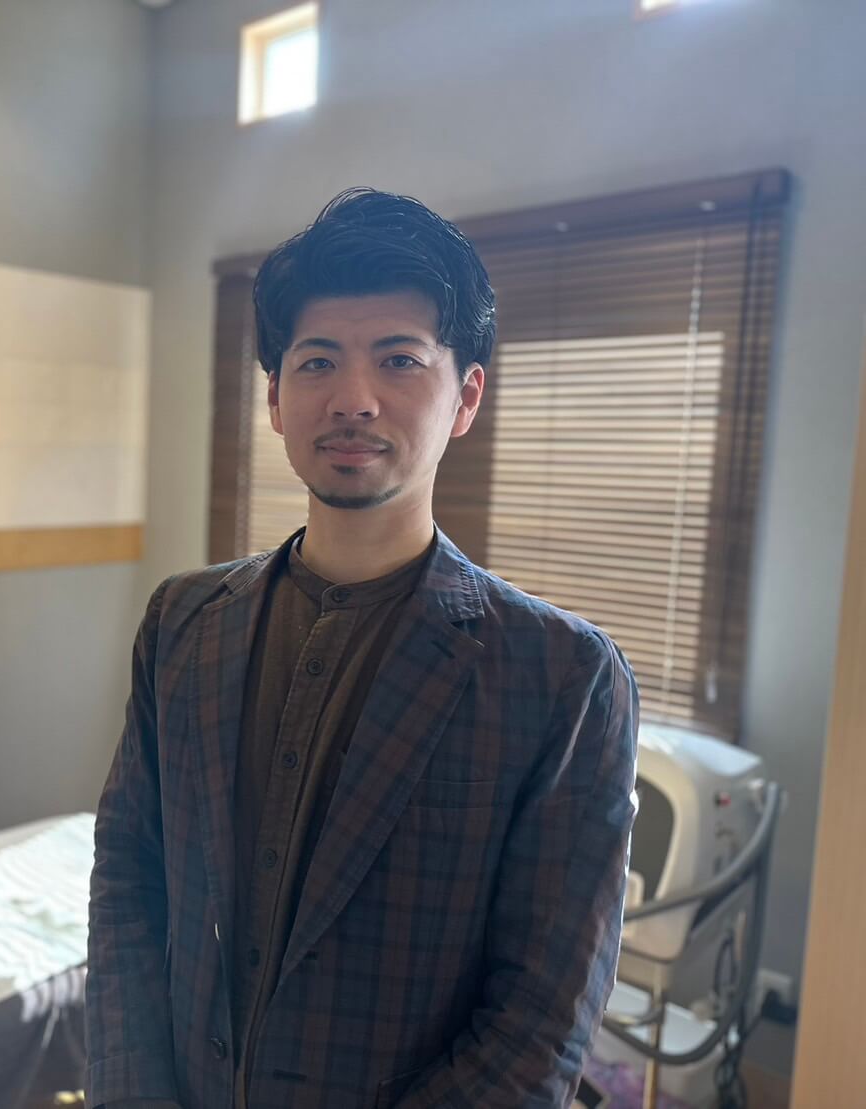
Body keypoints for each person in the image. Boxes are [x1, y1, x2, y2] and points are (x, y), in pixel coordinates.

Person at [85, 188, 639, 1109]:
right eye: (316, 362)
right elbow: (127, 883)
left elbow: (539, 1023)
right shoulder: (183, 619)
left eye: (398, 359)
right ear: (274, 397)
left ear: (465, 396)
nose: (352, 399)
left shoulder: (561, 676)